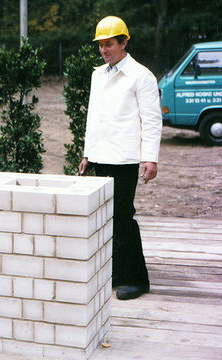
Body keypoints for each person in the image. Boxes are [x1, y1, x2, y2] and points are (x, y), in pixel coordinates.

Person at [79, 16, 162, 300]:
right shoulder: (98, 74)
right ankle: (116, 272)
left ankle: (138, 279)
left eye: (109, 44)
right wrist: (87, 153)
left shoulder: (142, 76)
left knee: (124, 217)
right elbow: (93, 117)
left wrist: (149, 158)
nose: (104, 50)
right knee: (105, 218)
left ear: (124, 42)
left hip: (125, 160)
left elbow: (151, 121)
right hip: (101, 157)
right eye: (101, 45)